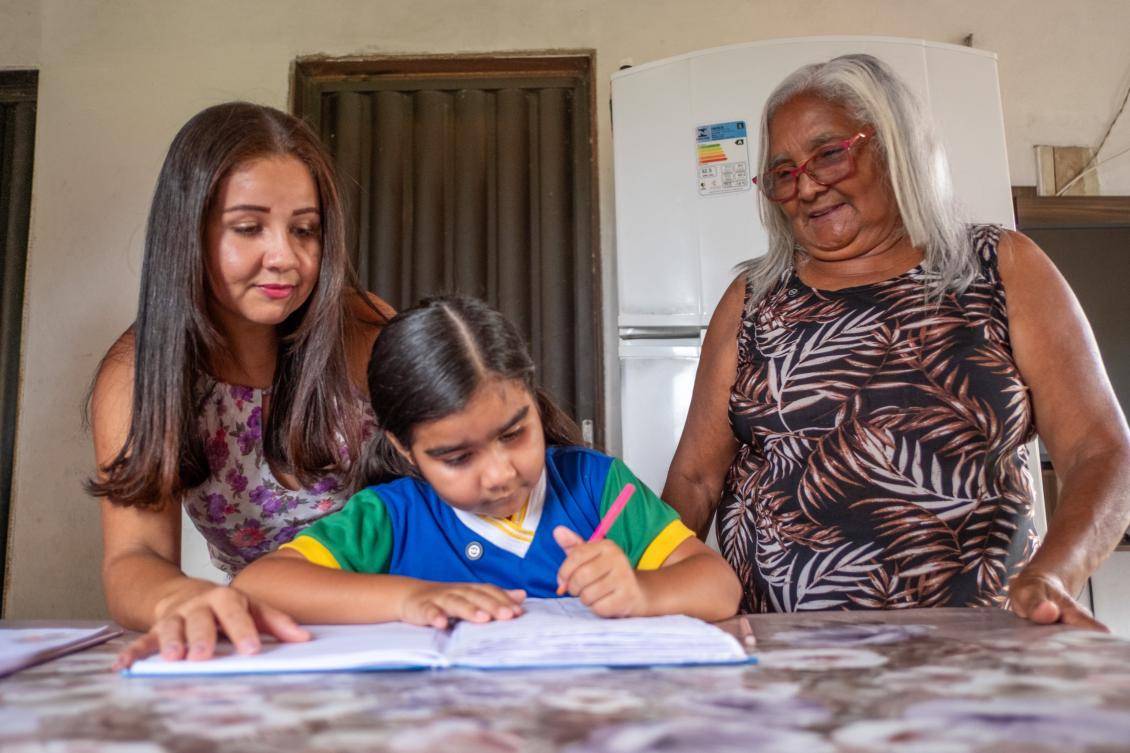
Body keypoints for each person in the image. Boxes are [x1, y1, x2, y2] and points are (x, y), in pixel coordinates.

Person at [662, 54, 1130, 628]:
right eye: (784, 173)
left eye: (829, 154)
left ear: (894, 146)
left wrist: (1054, 576)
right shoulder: (753, 299)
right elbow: (696, 479)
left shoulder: (999, 266)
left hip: (973, 643)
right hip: (779, 648)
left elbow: (1100, 449)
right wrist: (653, 599)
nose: (806, 186)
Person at [88, 102, 393, 667]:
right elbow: (134, 556)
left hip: (406, 614)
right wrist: (182, 597)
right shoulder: (135, 377)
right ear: (188, 233)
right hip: (272, 646)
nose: (286, 258)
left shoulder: (365, 331)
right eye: (248, 228)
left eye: (305, 230)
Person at [233, 295, 741, 626]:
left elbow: (718, 586)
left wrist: (642, 590)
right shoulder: (390, 516)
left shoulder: (598, 487)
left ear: (529, 396)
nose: (500, 474)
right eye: (456, 457)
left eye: (515, 433)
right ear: (404, 448)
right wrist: (408, 599)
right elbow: (257, 585)